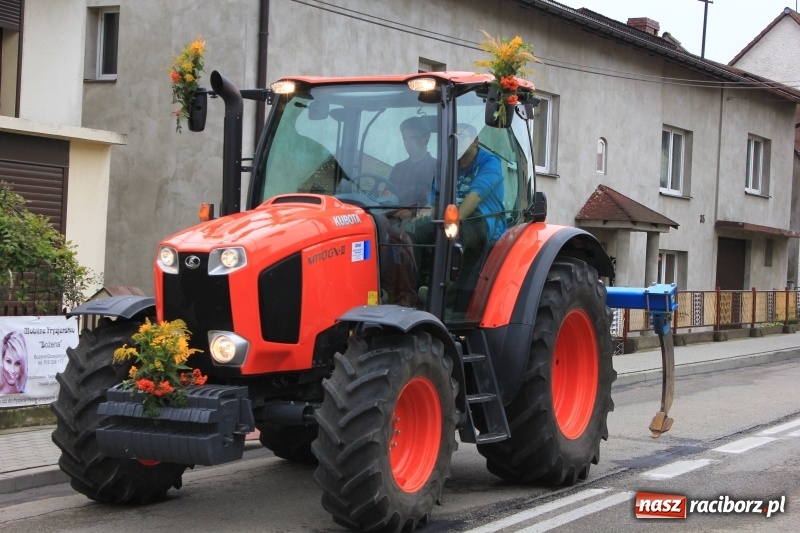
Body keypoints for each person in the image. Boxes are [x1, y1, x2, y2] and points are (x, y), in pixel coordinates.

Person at [387, 116, 437, 216]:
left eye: (413, 138)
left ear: (426, 138)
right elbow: (387, 198)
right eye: (405, 139)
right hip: (395, 218)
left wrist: (411, 212)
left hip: (422, 221)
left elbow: (437, 202)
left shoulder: (437, 167)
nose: (408, 143)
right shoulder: (398, 168)